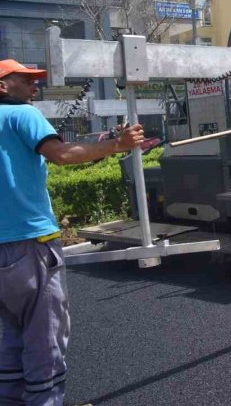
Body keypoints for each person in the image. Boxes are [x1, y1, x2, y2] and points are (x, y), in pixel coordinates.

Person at [0, 59, 144, 405]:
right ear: (3, 87)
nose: (35, 87)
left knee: (7, 339)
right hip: (29, 245)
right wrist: (117, 145)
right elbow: (61, 155)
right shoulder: (22, 115)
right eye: (26, 80)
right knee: (43, 338)